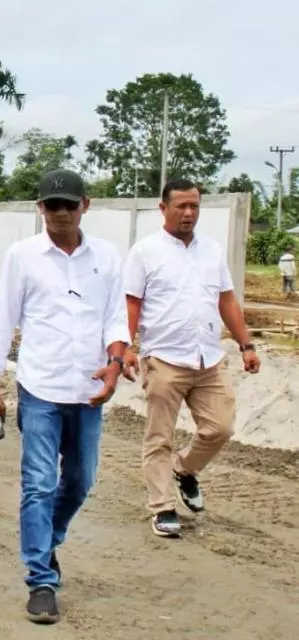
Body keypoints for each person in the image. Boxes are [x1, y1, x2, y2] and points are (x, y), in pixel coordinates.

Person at [0, 169, 129, 625]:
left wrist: (117, 362)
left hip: (88, 392)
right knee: (39, 483)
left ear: (86, 205)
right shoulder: (23, 256)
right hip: (40, 388)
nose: (60, 213)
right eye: (51, 205)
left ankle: (50, 539)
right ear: (40, 209)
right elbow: (4, 320)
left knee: (80, 481)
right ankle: (41, 579)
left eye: (69, 204)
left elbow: (116, 317)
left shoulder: (106, 256)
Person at [121, 178, 260, 538]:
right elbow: (131, 303)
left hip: (208, 358)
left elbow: (226, 300)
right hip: (164, 359)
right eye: (181, 206)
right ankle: (163, 507)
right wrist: (126, 347)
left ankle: (184, 470)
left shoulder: (211, 250)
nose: (188, 213)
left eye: (194, 206)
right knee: (159, 438)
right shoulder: (145, 251)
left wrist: (246, 344)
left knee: (220, 427)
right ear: (163, 208)